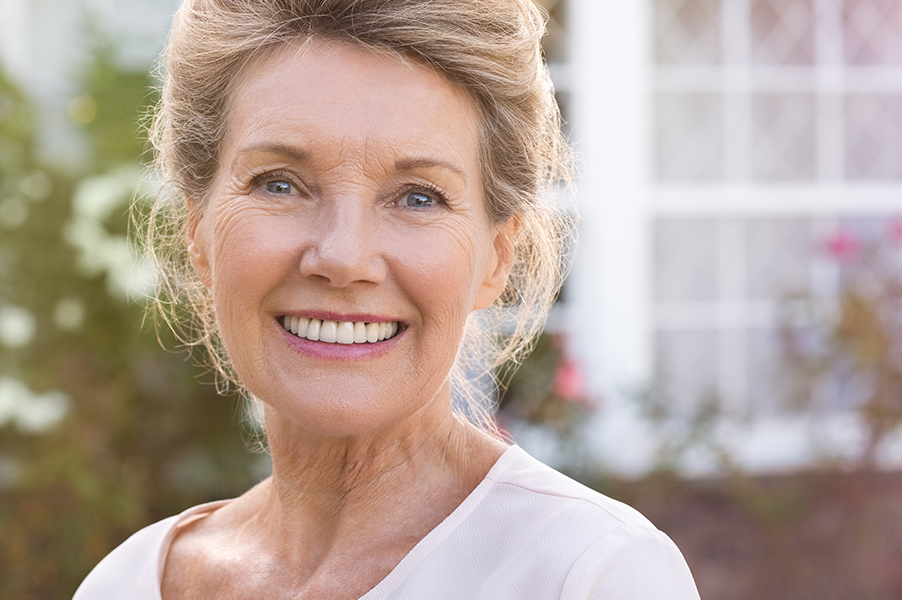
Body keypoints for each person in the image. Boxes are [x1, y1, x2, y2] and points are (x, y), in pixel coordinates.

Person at [75, 0, 701, 597]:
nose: (344, 258)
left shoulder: (590, 575)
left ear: (496, 260)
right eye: (281, 184)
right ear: (199, 232)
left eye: (418, 196)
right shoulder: (125, 585)